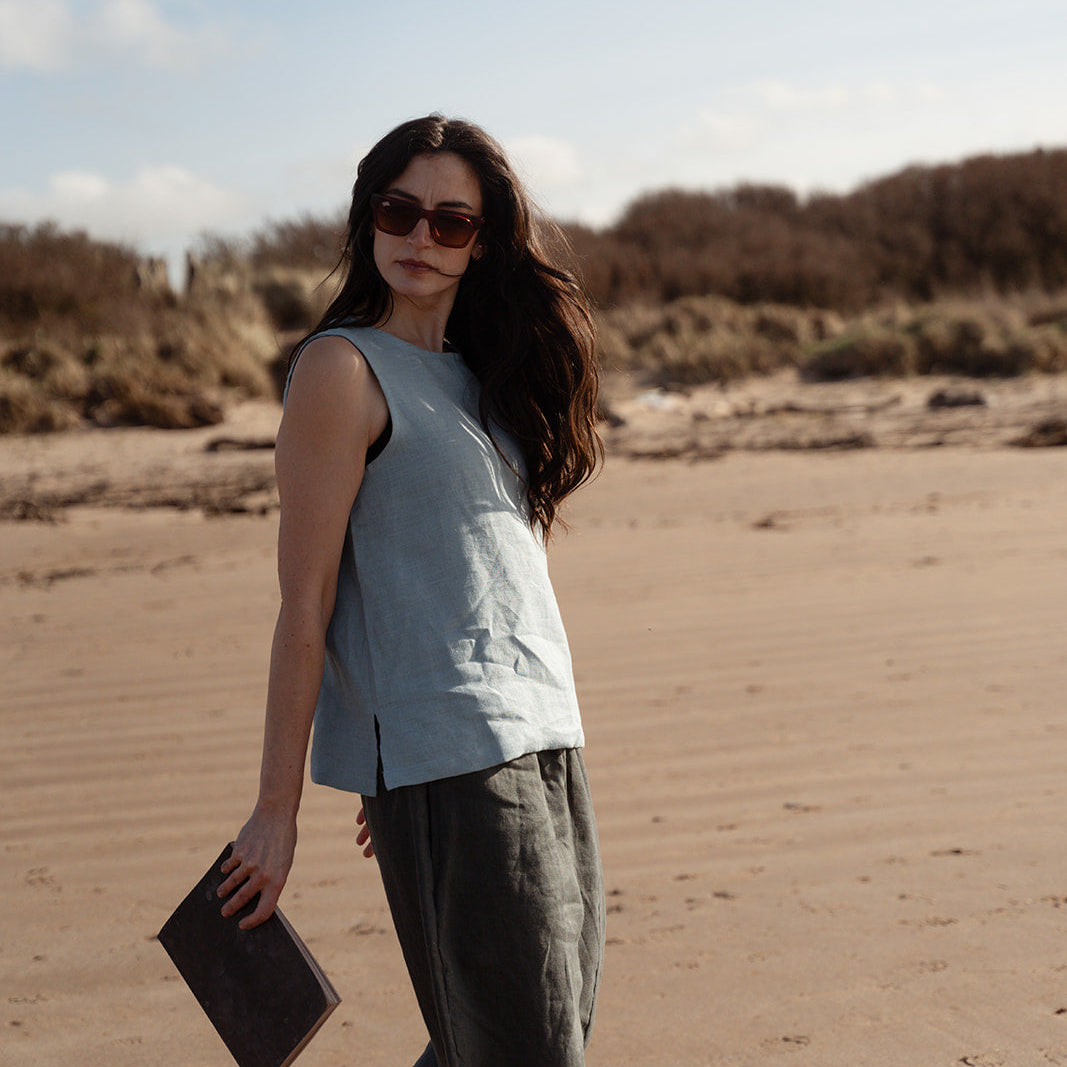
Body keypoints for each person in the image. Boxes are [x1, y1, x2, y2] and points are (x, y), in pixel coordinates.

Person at [215, 114, 605, 1066]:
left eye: (451, 222)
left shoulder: (483, 378)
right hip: (460, 762)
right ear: (368, 220)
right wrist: (278, 807)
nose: (420, 238)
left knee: (525, 1033)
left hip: (543, 732)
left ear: (485, 241)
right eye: (399, 212)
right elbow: (302, 602)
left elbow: (459, 574)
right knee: (527, 1050)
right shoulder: (341, 370)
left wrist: (400, 743)